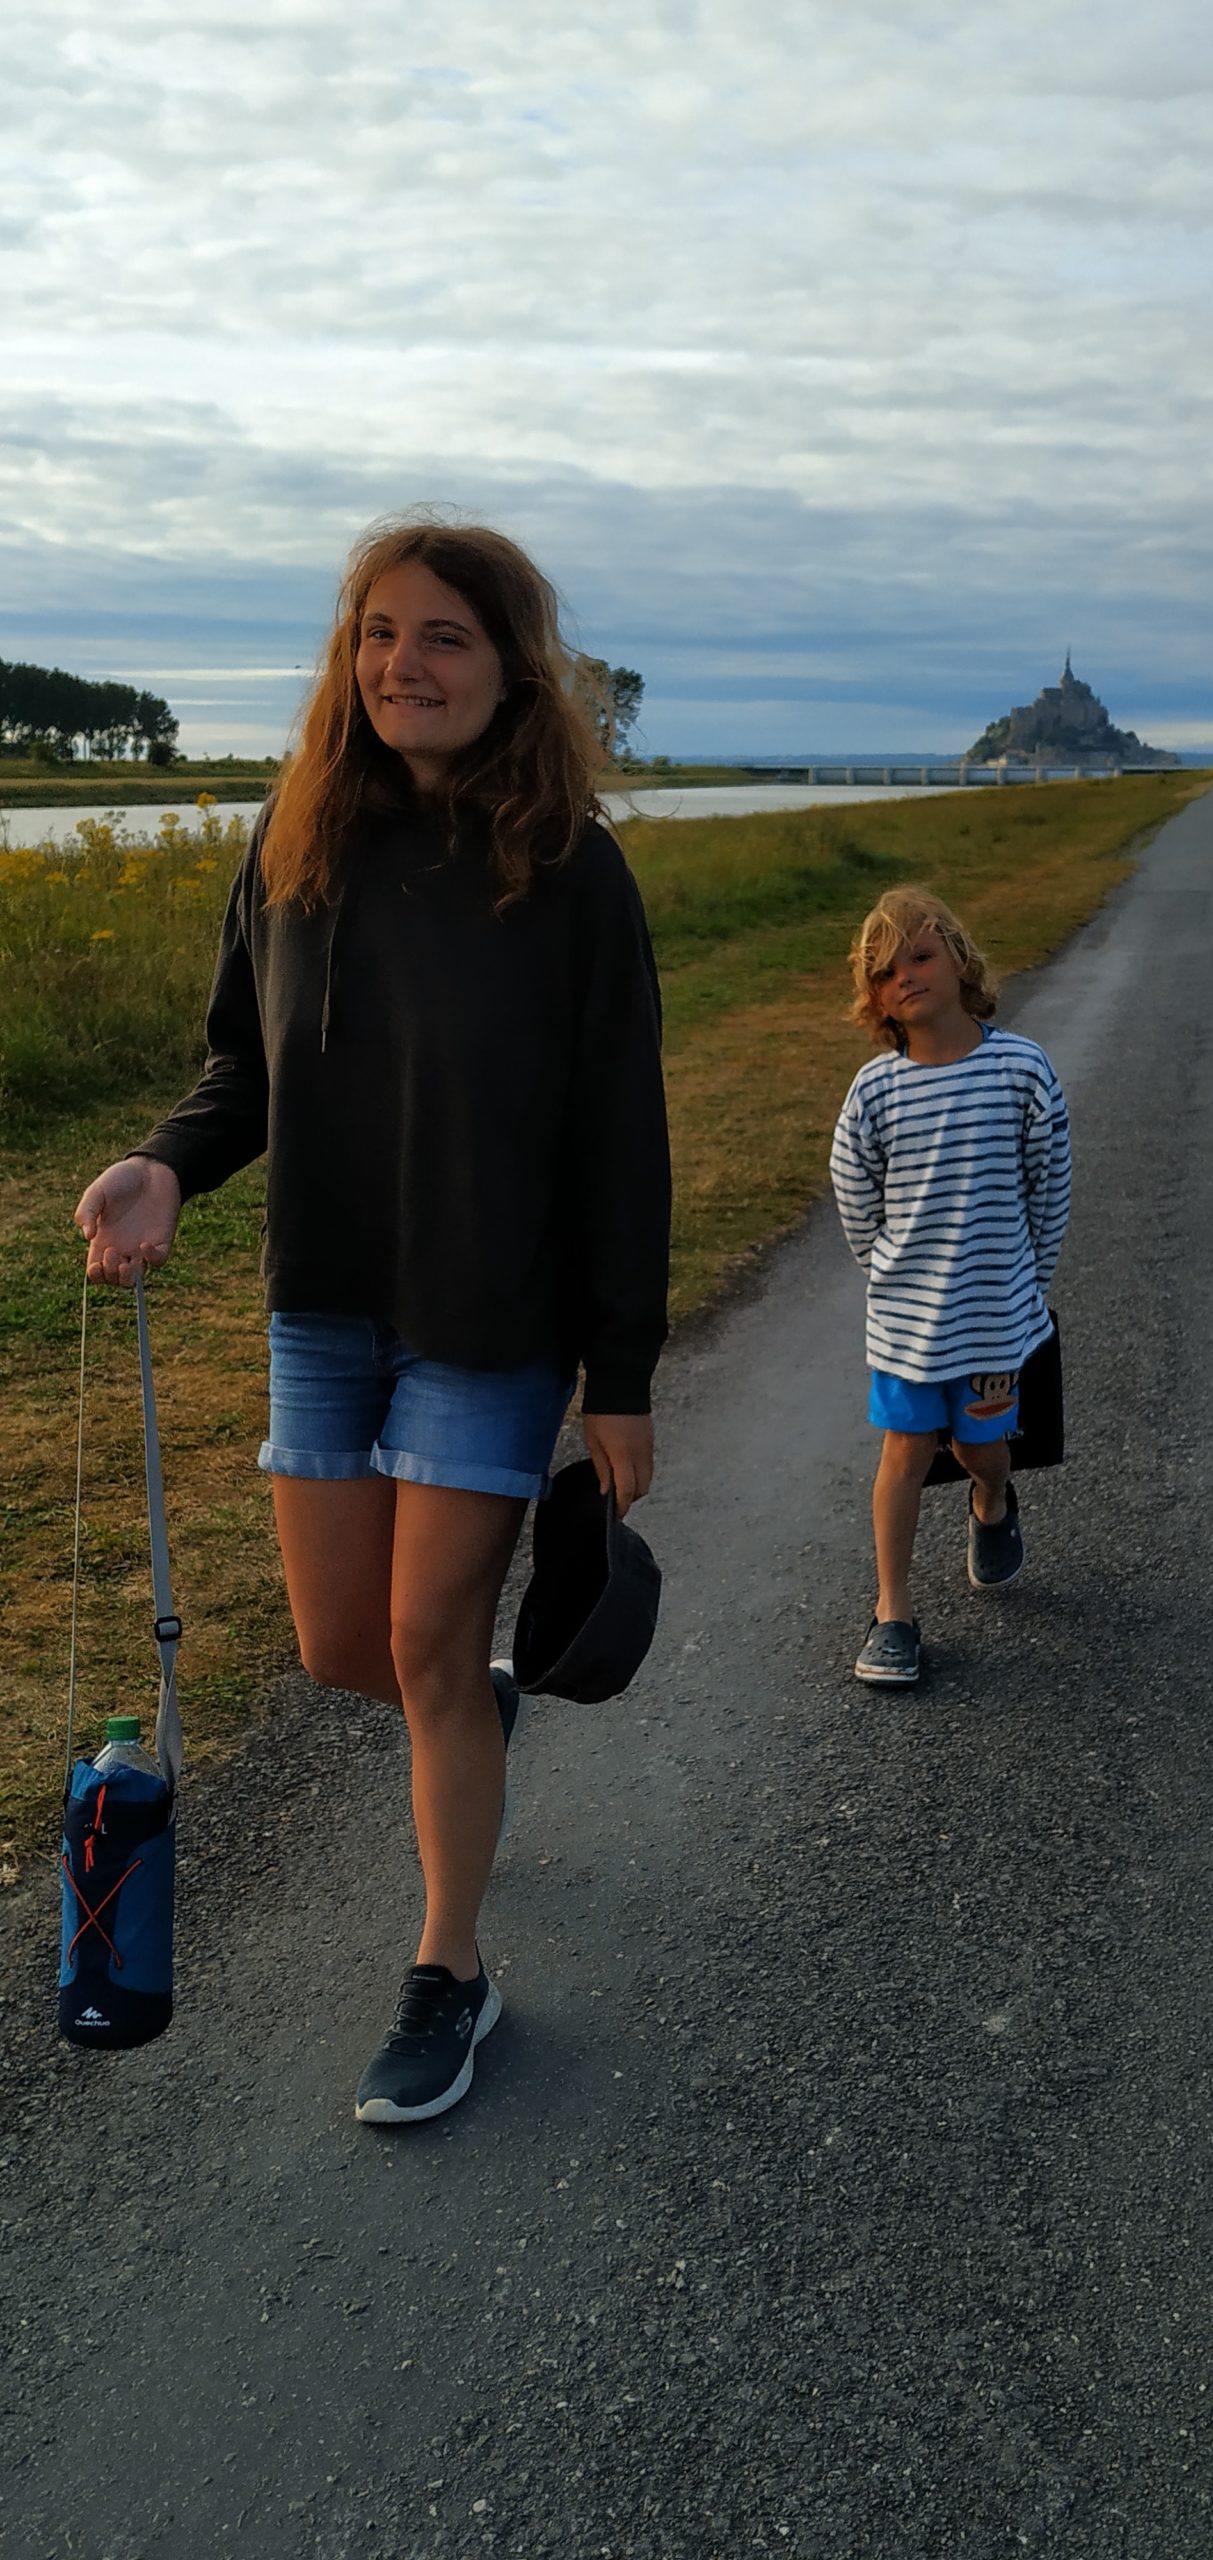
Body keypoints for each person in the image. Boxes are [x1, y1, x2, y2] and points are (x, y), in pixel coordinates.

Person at [75, 516, 671, 2124]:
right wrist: (162, 1166)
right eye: (378, 634)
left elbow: (622, 1137)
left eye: (444, 637)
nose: (404, 664)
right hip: (326, 1307)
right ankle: (474, 1709)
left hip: (494, 1320)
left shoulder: (570, 870)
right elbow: (242, 1068)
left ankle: (449, 1972)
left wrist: (621, 1373)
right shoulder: (294, 841)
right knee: (352, 1652)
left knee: (422, 1646)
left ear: (511, 668)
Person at [829, 885, 1069, 1686]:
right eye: (884, 972)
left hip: (996, 1318)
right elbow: (855, 1196)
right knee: (903, 1451)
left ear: (960, 961)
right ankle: (892, 1612)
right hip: (907, 1324)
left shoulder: (1021, 1070)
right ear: (875, 997)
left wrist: (1028, 1286)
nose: (905, 976)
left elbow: (1049, 1187)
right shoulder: (875, 1091)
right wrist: (888, 1275)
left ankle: (991, 1503)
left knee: (978, 1446)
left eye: (921, 956)